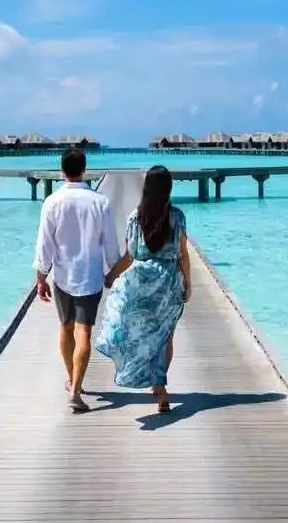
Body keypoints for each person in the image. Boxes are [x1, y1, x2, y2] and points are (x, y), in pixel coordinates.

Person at [95, 164, 191, 413]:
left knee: (141, 332)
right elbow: (183, 256)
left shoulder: (135, 216)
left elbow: (130, 255)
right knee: (164, 336)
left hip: (139, 281)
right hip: (168, 282)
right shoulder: (177, 216)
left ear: (146, 189)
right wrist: (188, 284)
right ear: (168, 188)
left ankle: (152, 382)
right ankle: (159, 387)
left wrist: (111, 275)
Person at [32, 146, 119, 413]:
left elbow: (44, 243)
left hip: (62, 276)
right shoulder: (100, 202)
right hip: (90, 277)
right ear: (84, 170)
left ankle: (72, 380)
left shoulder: (52, 202)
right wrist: (112, 272)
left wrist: (41, 276)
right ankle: (76, 388)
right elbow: (111, 244)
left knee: (65, 327)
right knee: (84, 332)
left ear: (62, 171)